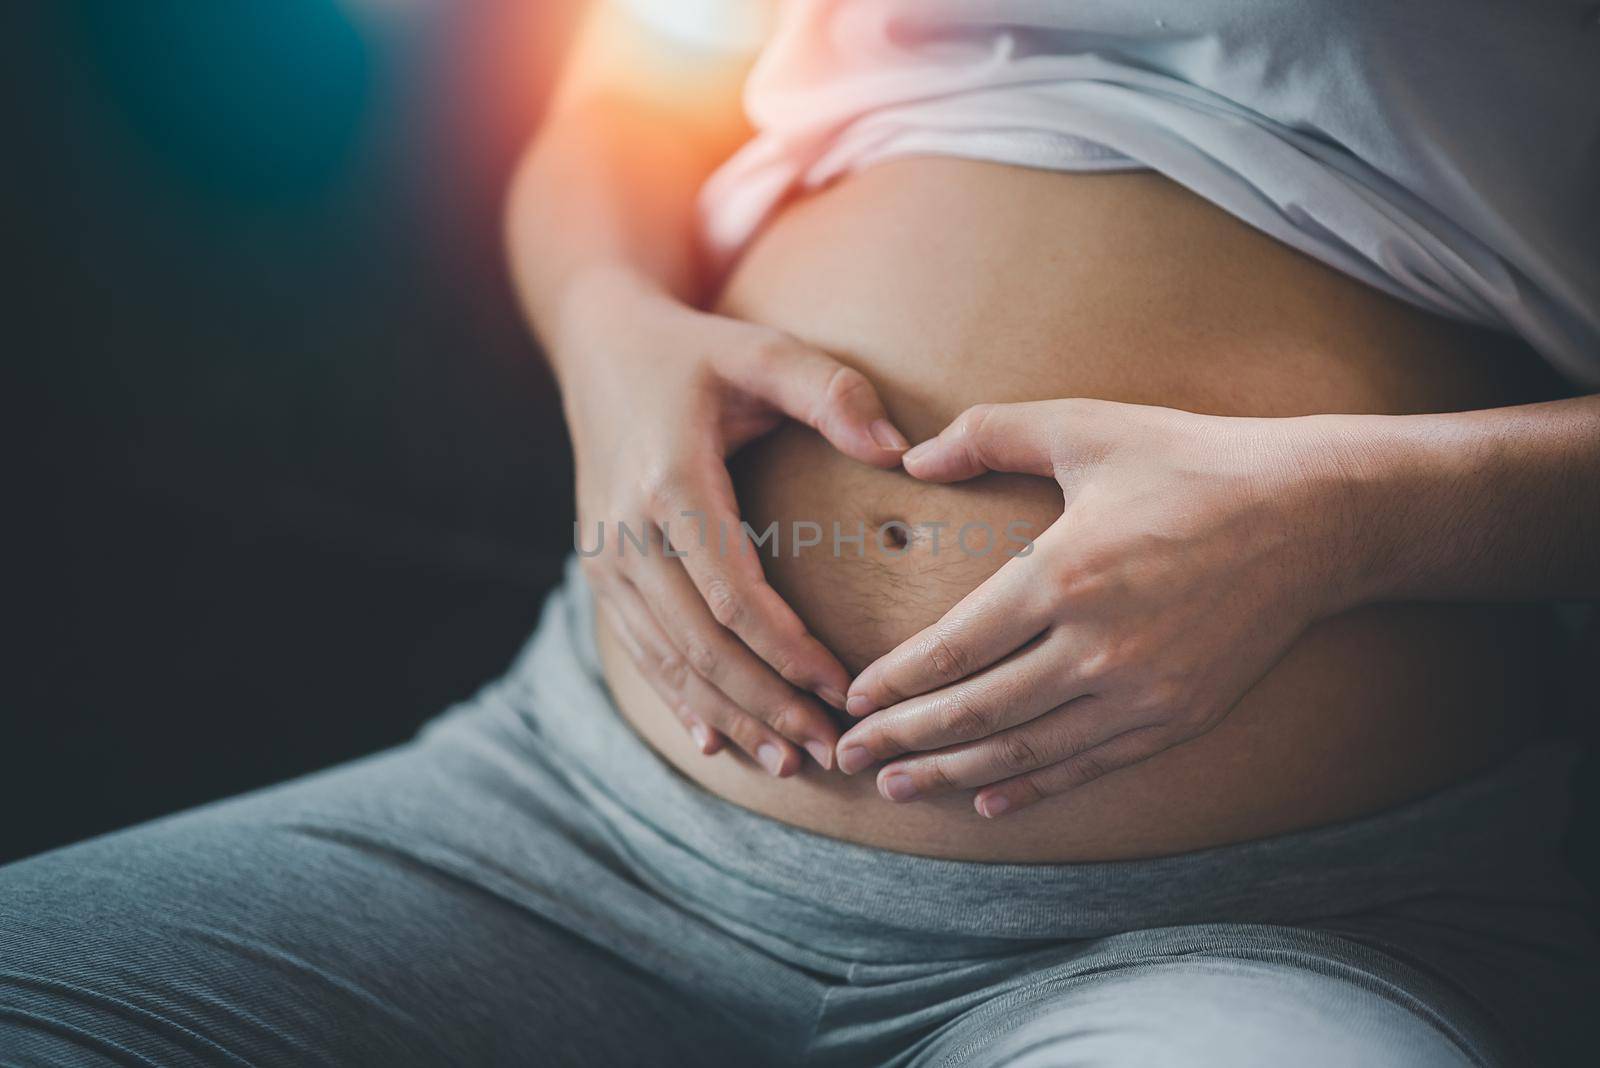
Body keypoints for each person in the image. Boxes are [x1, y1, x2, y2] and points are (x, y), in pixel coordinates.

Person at [3, 2, 1597, 1064]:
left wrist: (1342, 523)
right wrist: (611, 339)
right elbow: (631, 93)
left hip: (1256, 931)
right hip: (577, 825)